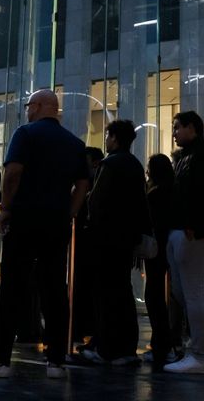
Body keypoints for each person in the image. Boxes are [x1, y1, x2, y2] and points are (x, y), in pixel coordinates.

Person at [0, 89, 88, 379]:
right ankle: (56, 360)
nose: (27, 110)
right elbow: (82, 185)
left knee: (14, 288)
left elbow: (13, 173)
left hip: (26, 218)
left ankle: (0, 358)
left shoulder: (26, 134)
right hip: (56, 223)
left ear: (43, 105)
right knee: (55, 289)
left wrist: (5, 208)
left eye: (29, 105)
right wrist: (69, 212)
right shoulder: (75, 143)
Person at [81, 120, 151, 366]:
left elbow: (96, 203)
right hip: (126, 239)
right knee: (123, 292)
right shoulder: (134, 164)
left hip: (105, 238)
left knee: (105, 294)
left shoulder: (109, 164)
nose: (106, 139)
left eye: (108, 134)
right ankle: (126, 348)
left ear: (115, 138)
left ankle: (107, 348)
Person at [162, 110, 204, 374]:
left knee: (192, 291)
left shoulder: (202, 156)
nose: (174, 132)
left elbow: (203, 194)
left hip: (192, 232)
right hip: (183, 230)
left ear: (191, 128)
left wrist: (194, 225)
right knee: (183, 291)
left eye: (177, 127)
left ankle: (199, 353)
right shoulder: (187, 157)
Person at [143, 153, 182, 367]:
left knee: (154, 295)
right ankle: (168, 342)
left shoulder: (155, 194)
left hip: (156, 248)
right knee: (170, 295)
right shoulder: (174, 190)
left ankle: (161, 344)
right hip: (170, 246)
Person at [70, 146, 104, 355]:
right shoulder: (93, 184)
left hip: (85, 243)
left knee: (82, 286)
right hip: (86, 243)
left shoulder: (88, 186)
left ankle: (79, 328)